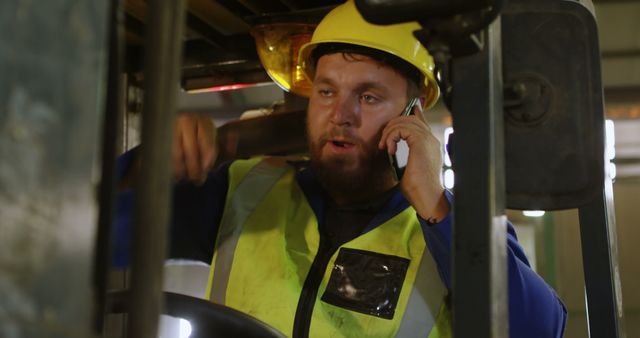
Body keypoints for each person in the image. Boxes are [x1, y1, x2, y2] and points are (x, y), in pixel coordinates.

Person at [116, 1, 567, 337]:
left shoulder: (451, 230)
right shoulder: (240, 190)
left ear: (412, 114)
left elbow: (536, 330)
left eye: (368, 97)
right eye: (327, 92)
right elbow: (90, 234)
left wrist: (434, 205)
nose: (342, 115)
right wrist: (181, 156)